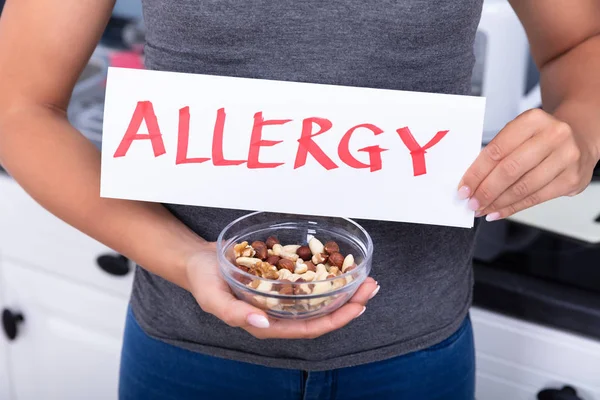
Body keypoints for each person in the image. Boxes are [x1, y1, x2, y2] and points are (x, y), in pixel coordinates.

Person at [0, 1, 598, 399]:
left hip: (416, 352)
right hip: (188, 353)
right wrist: (185, 257)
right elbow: (19, 108)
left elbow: (581, 44)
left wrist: (579, 128)